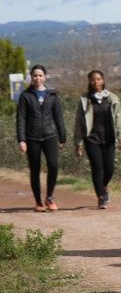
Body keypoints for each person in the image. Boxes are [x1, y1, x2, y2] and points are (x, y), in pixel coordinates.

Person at [73, 70, 121, 209]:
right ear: (89, 82)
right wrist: (78, 142)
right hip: (91, 139)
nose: (95, 82)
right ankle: (101, 197)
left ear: (103, 81)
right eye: (92, 79)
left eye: (98, 79)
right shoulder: (85, 100)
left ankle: (103, 187)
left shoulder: (112, 98)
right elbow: (79, 121)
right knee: (97, 168)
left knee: (109, 169)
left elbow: (118, 118)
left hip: (108, 138)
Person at [16, 64, 66, 212]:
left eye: (40, 75)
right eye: (35, 76)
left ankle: (49, 197)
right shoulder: (25, 96)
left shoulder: (52, 95)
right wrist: (21, 139)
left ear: (45, 77)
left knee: (53, 165)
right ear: (31, 78)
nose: (37, 78)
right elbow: (21, 119)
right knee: (35, 169)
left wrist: (62, 138)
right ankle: (38, 201)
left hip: (50, 135)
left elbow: (59, 117)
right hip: (32, 137)